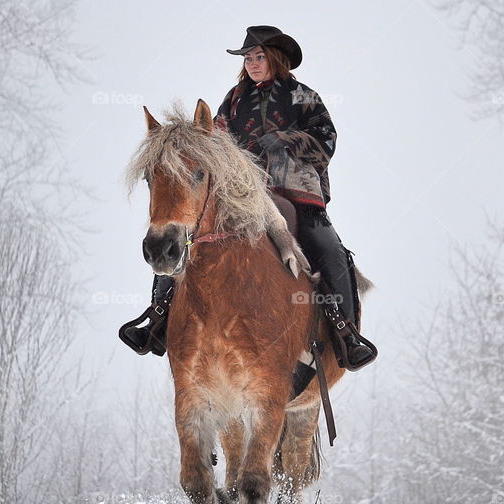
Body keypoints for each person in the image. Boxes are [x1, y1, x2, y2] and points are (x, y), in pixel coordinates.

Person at [122, 25, 377, 370]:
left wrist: (287, 139)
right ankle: (157, 318)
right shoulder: (234, 99)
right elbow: (214, 143)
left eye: (259, 57)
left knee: (329, 249)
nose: (253, 63)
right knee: (184, 235)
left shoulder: (303, 95)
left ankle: (345, 333)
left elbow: (326, 138)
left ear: (276, 59)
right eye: (248, 58)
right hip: (242, 196)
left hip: (295, 192)